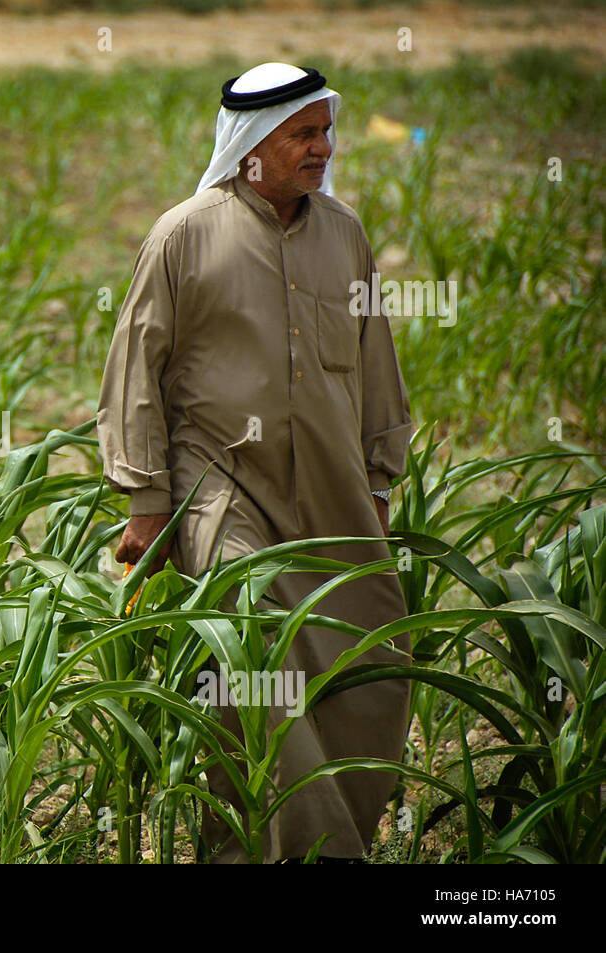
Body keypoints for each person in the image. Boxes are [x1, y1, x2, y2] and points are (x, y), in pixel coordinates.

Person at [96, 63, 416, 863]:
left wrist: (380, 476)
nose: (324, 147)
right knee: (251, 648)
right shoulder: (184, 236)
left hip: (335, 487)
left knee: (371, 658)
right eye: (302, 134)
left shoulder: (345, 235)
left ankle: (308, 838)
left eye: (325, 131)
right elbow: (136, 366)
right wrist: (146, 498)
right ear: (250, 148)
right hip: (221, 487)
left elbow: (376, 361)